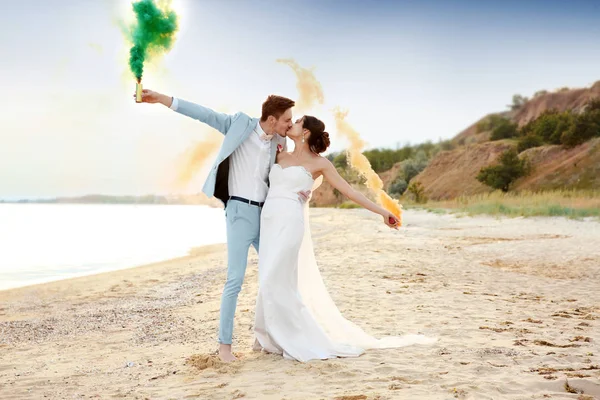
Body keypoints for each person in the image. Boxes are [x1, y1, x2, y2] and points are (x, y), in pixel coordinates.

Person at [136, 89, 310, 362]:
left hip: (268, 215)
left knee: (276, 275)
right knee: (235, 279)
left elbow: (285, 173)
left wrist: (301, 188)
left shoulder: (279, 141)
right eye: (287, 119)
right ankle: (224, 347)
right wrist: (162, 99)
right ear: (273, 118)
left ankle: (266, 337)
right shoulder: (239, 124)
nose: (290, 124)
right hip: (239, 212)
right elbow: (204, 114)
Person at [253, 115, 436, 362]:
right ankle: (266, 336)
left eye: (296, 122)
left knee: (278, 275)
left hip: (290, 222)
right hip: (269, 221)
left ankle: (292, 335)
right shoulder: (279, 154)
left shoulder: (321, 164)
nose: (291, 124)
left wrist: (383, 212)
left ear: (305, 132)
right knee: (267, 276)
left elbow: (349, 191)